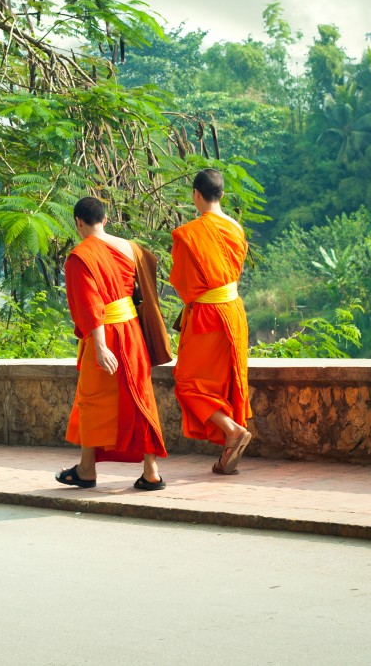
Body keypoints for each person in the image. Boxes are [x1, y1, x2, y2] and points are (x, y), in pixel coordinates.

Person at [55, 196, 168, 491]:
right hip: (132, 331)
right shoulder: (130, 248)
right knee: (139, 396)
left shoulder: (80, 256)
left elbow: (91, 305)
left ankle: (87, 469)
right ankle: (151, 471)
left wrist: (102, 346)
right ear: (105, 220)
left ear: (79, 222)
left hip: (103, 335)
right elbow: (149, 273)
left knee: (91, 401)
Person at [170, 168, 253, 475]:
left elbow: (182, 284)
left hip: (207, 314)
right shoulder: (236, 228)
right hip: (233, 311)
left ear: (196, 194)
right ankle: (228, 449)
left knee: (188, 382)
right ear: (222, 195)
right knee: (226, 379)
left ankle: (231, 430)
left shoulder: (189, 234)